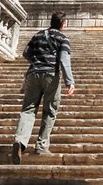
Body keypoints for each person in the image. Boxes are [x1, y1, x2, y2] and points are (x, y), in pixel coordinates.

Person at [11, 13, 75, 162]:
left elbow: (26, 53)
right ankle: (41, 146)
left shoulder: (38, 35)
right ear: (63, 24)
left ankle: (19, 141)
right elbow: (64, 60)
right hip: (50, 75)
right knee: (50, 111)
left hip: (33, 74)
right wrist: (69, 81)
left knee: (28, 110)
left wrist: (37, 61)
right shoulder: (63, 38)